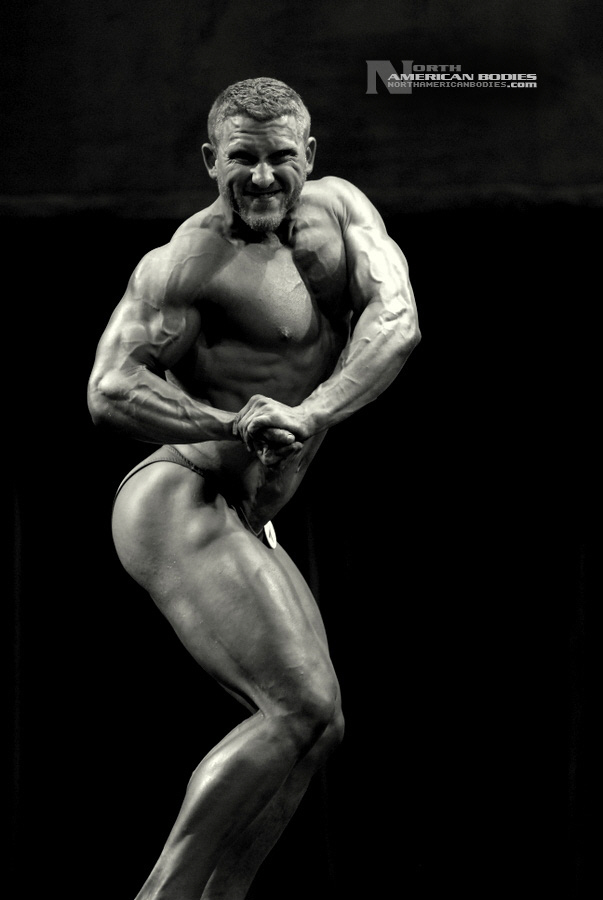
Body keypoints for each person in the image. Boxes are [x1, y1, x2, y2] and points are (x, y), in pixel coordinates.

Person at [87, 76, 420, 900]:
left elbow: (396, 320)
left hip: (241, 510)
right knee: (295, 706)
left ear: (310, 153)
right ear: (211, 161)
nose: (262, 177)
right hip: (178, 495)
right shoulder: (190, 260)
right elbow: (110, 388)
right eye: (242, 159)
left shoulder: (342, 212)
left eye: (279, 157)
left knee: (319, 724)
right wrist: (227, 423)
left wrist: (310, 413)